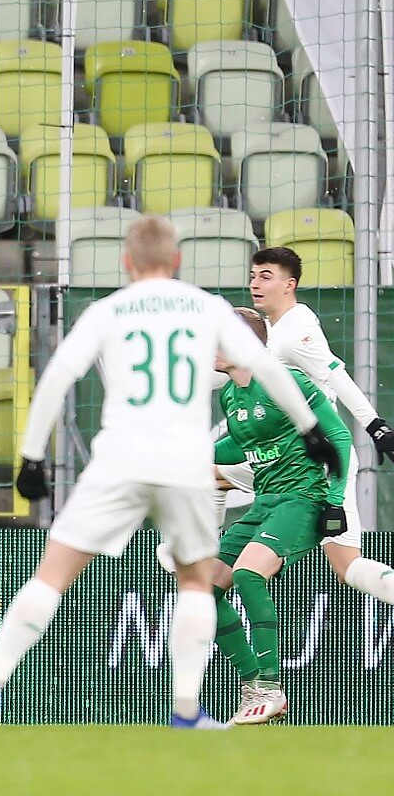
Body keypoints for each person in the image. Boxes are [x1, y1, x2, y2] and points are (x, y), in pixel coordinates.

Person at [0, 216, 341, 730]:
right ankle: (186, 711)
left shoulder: (109, 310)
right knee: (197, 582)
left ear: (127, 263)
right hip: (184, 462)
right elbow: (268, 369)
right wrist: (310, 429)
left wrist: (32, 457)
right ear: (176, 262)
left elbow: (58, 376)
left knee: (52, 575)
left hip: (120, 458)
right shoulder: (207, 307)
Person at [217, 248, 394, 604]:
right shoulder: (272, 328)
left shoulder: (295, 333)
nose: (255, 284)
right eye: (253, 276)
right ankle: (209, 550)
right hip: (283, 459)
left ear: (290, 284)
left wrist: (375, 426)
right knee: (214, 470)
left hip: (318, 463)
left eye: (266, 277)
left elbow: (336, 376)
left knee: (346, 567)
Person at [209, 307, 352, 724]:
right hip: (266, 501)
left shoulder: (286, 381)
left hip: (303, 498)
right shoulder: (230, 394)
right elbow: (240, 448)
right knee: (203, 589)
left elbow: (338, 435)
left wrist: (336, 499)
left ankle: (271, 688)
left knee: (249, 574)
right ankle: (254, 682)